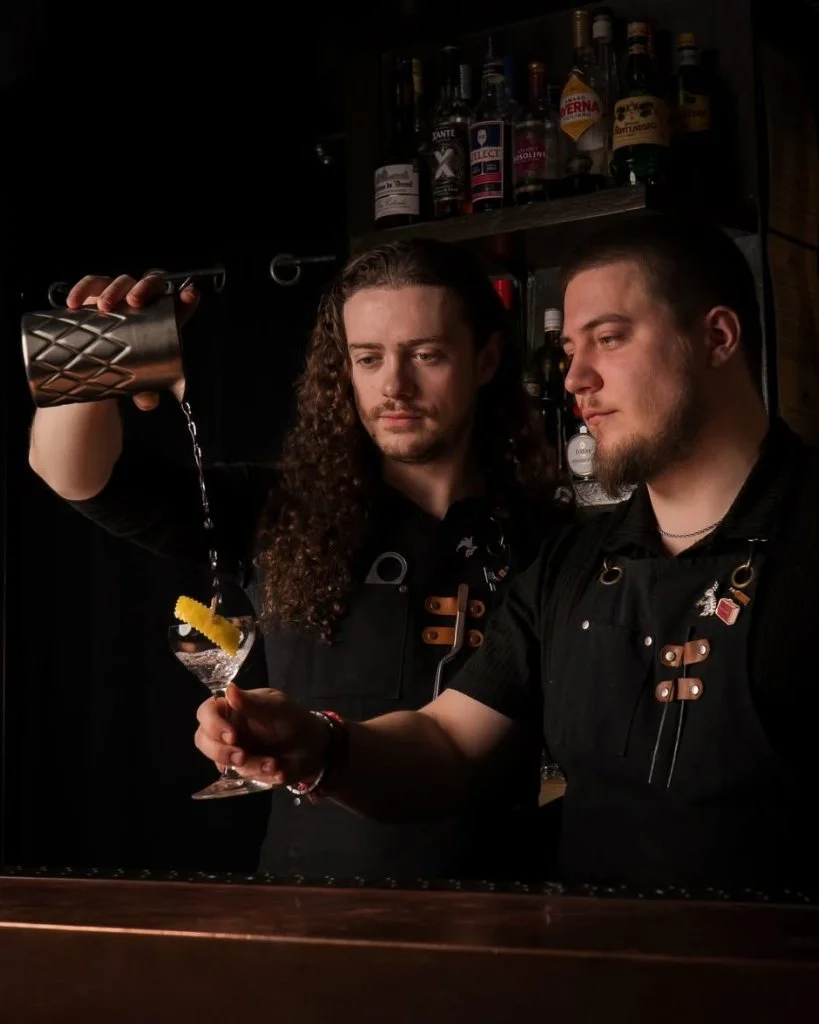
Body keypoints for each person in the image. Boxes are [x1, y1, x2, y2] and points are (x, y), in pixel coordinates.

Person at [193, 215, 819, 892]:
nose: (575, 376)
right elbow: (449, 743)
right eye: (569, 347)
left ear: (716, 337)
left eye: (608, 339)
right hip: (590, 979)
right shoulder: (570, 563)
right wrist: (317, 747)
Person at [29, 238, 567, 882]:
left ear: (485, 360)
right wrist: (95, 349)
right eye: (368, 359)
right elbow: (76, 477)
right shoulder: (283, 508)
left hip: (504, 915)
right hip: (306, 907)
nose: (394, 385)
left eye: (426, 355)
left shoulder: (552, 539)